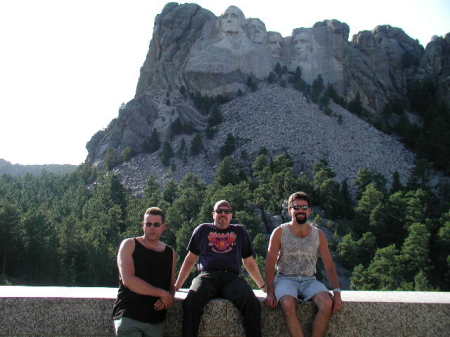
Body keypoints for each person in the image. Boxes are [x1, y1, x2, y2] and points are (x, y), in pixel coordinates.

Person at [174, 200, 265, 337]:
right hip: (207, 276)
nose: (223, 214)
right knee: (191, 302)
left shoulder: (239, 232)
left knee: (252, 304)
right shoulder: (202, 230)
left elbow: (249, 261)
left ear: (231, 215)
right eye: (219, 211)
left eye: (226, 211)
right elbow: (190, 259)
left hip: (232, 278)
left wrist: (262, 285)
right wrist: (178, 285)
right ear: (213, 214)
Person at [265, 192, 343, 337]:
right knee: (288, 304)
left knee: (327, 303)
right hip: (285, 278)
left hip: (309, 280)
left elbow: (329, 265)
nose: (300, 210)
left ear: (309, 210)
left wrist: (337, 292)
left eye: (304, 207)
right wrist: (270, 290)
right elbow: (270, 262)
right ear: (290, 210)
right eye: (296, 207)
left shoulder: (318, 234)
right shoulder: (279, 232)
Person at [112, 207, 177, 337]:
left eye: (156, 224)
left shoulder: (171, 253)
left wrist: (166, 299)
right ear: (143, 226)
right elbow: (129, 280)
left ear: (163, 227)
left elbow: (171, 286)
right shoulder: (129, 245)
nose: (151, 228)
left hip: (156, 321)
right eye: (148, 224)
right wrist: (161, 293)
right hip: (129, 317)